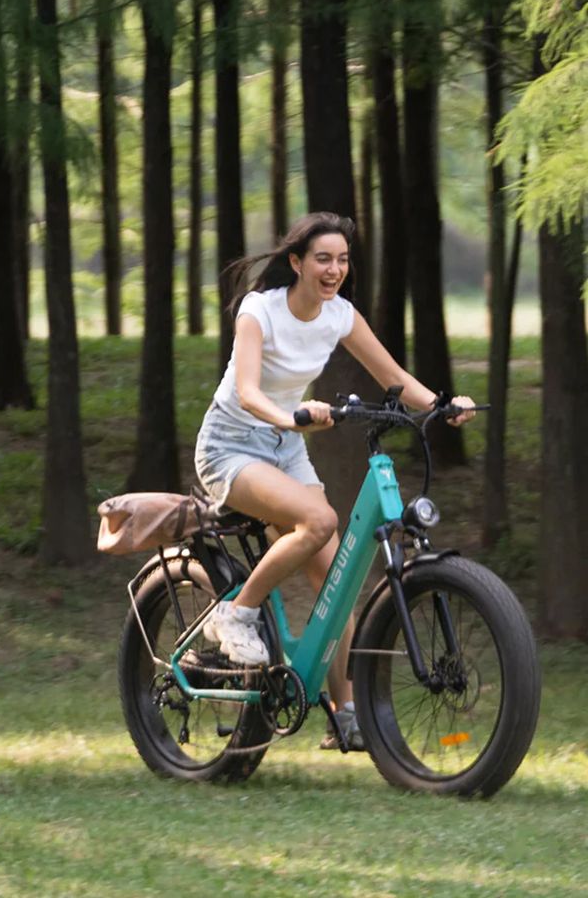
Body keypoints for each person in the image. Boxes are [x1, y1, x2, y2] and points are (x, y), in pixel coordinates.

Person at [194, 212, 474, 750]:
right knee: (320, 520)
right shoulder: (259, 311)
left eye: (342, 260)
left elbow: (394, 377)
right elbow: (249, 392)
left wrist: (442, 404)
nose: (334, 269)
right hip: (230, 446)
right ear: (296, 262)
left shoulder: (339, 315)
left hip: (284, 448)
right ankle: (235, 614)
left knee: (338, 581)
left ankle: (346, 713)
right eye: (323, 258)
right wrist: (292, 414)